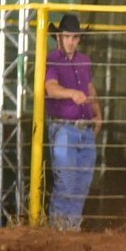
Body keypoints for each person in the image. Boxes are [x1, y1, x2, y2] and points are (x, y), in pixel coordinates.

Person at [44, 14, 102, 231]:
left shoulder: (84, 60)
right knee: (67, 181)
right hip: (64, 128)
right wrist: (72, 93)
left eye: (75, 37)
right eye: (67, 36)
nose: (71, 41)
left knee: (81, 184)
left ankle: (71, 228)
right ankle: (59, 230)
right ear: (59, 37)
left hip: (83, 129)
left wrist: (97, 111)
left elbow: (90, 88)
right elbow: (50, 88)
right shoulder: (52, 59)